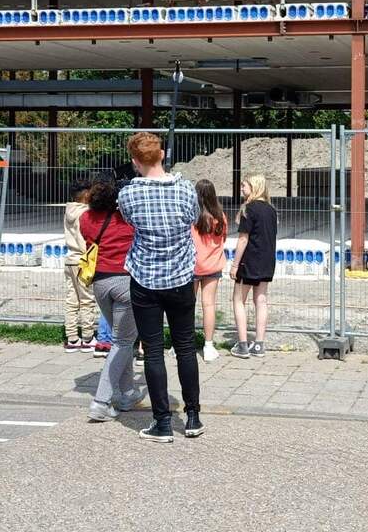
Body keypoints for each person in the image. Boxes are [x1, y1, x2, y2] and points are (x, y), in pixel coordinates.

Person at [118, 132, 202, 443]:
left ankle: (162, 422)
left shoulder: (128, 194)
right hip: (180, 277)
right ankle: (192, 417)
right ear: (162, 154)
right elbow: (193, 218)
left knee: (153, 352)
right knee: (185, 348)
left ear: (135, 161)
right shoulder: (185, 189)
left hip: (145, 278)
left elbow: (129, 222)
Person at [79, 176, 144, 422]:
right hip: (126, 282)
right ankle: (101, 401)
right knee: (123, 341)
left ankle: (127, 394)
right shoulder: (127, 219)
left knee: (121, 340)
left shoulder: (86, 219)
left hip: (100, 283)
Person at [228, 174, 278, 359]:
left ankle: (242, 345)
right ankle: (259, 344)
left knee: (238, 300)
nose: (241, 188)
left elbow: (243, 239)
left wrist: (234, 265)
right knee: (261, 301)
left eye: (244, 185)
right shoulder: (271, 210)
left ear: (254, 187)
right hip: (267, 260)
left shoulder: (249, 209)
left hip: (249, 260)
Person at [191, 179, 227, 363]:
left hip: (192, 266)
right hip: (212, 265)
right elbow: (223, 239)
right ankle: (209, 345)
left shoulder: (191, 216)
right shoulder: (220, 216)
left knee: (187, 305)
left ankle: (182, 343)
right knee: (209, 305)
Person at [62, 179, 98, 353]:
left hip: (69, 259)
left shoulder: (69, 210)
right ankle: (88, 338)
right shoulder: (86, 213)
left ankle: (72, 338)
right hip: (83, 261)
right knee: (87, 300)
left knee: (71, 300)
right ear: (86, 194)